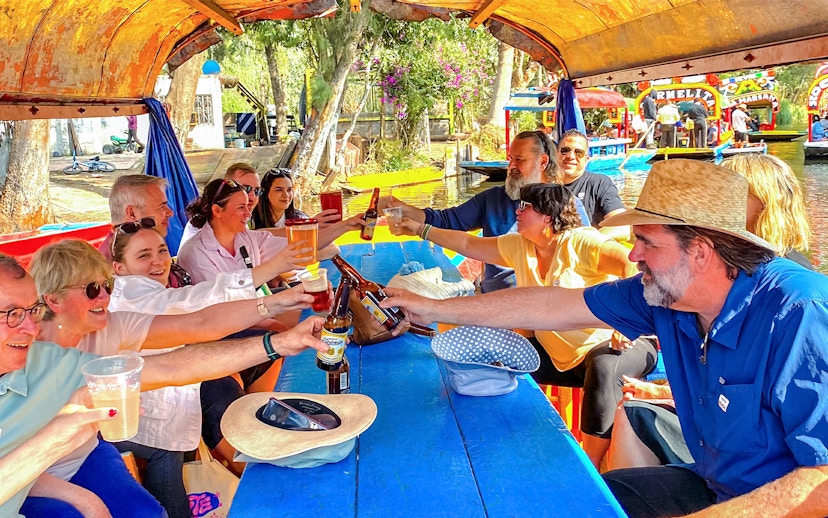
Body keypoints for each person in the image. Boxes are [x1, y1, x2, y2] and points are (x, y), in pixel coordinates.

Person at [382, 159, 828, 518]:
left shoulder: (800, 311)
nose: (633, 256)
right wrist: (435, 309)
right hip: (715, 484)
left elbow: (821, 483)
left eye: (646, 243)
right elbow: (552, 303)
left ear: (700, 250)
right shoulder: (666, 293)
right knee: (581, 499)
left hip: (777, 505)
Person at [0, 253, 326, 516]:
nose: (28, 327)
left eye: (30, 311)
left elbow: (175, 360)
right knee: (165, 449)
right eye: (13, 314)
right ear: (54, 300)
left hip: (81, 453)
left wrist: (278, 343)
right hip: (36, 477)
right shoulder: (39, 352)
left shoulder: (51, 361)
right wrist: (78, 490)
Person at [394, 183, 656, 468]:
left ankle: (588, 466)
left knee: (604, 366)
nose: (517, 211)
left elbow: (628, 266)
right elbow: (469, 245)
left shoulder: (580, 241)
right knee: (490, 354)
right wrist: (420, 229)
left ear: (548, 216)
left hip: (621, 344)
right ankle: (491, 435)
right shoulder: (520, 245)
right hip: (558, 356)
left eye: (525, 207)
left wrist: (623, 321)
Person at [607, 152, 816, 473]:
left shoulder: (789, 292)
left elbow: (759, 401)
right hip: (720, 427)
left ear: (763, 205)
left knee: (630, 413)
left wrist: (663, 393)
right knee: (631, 414)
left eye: (730, 192)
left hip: (756, 461)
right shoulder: (720, 270)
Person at [378, 130, 560, 293]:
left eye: (519, 160)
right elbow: (458, 233)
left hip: (537, 305)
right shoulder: (494, 201)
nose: (511, 166)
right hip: (494, 300)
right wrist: (406, 210)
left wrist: (420, 229)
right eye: (510, 158)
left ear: (543, 161)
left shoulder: (564, 207)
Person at [178, 178, 363, 289]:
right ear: (217, 211)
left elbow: (302, 246)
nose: (248, 214)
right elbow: (219, 304)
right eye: (241, 208)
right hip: (224, 328)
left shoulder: (246, 238)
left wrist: (346, 226)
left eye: (248, 206)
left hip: (256, 307)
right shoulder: (196, 253)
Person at [553, 129, 626, 229]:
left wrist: (583, 242)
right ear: (556, 154)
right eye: (565, 150)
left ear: (587, 159)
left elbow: (621, 228)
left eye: (579, 153)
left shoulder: (600, 184)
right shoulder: (545, 186)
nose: (571, 156)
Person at [180, 162, 264, 246]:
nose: (252, 196)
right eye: (245, 189)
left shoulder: (239, 219)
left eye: (257, 190)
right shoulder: (203, 226)